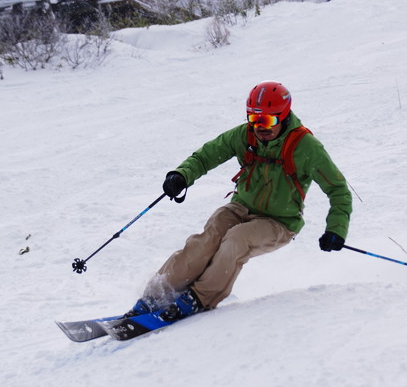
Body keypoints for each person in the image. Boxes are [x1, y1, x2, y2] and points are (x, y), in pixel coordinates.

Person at [124, 81, 353, 321]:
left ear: (283, 117)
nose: (259, 128)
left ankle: (200, 298)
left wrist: (336, 230)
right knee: (207, 239)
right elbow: (206, 156)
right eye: (253, 120)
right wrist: (182, 175)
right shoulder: (244, 136)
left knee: (236, 240)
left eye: (266, 121)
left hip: (279, 221)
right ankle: (156, 296)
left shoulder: (306, 148)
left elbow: (338, 191)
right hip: (240, 207)